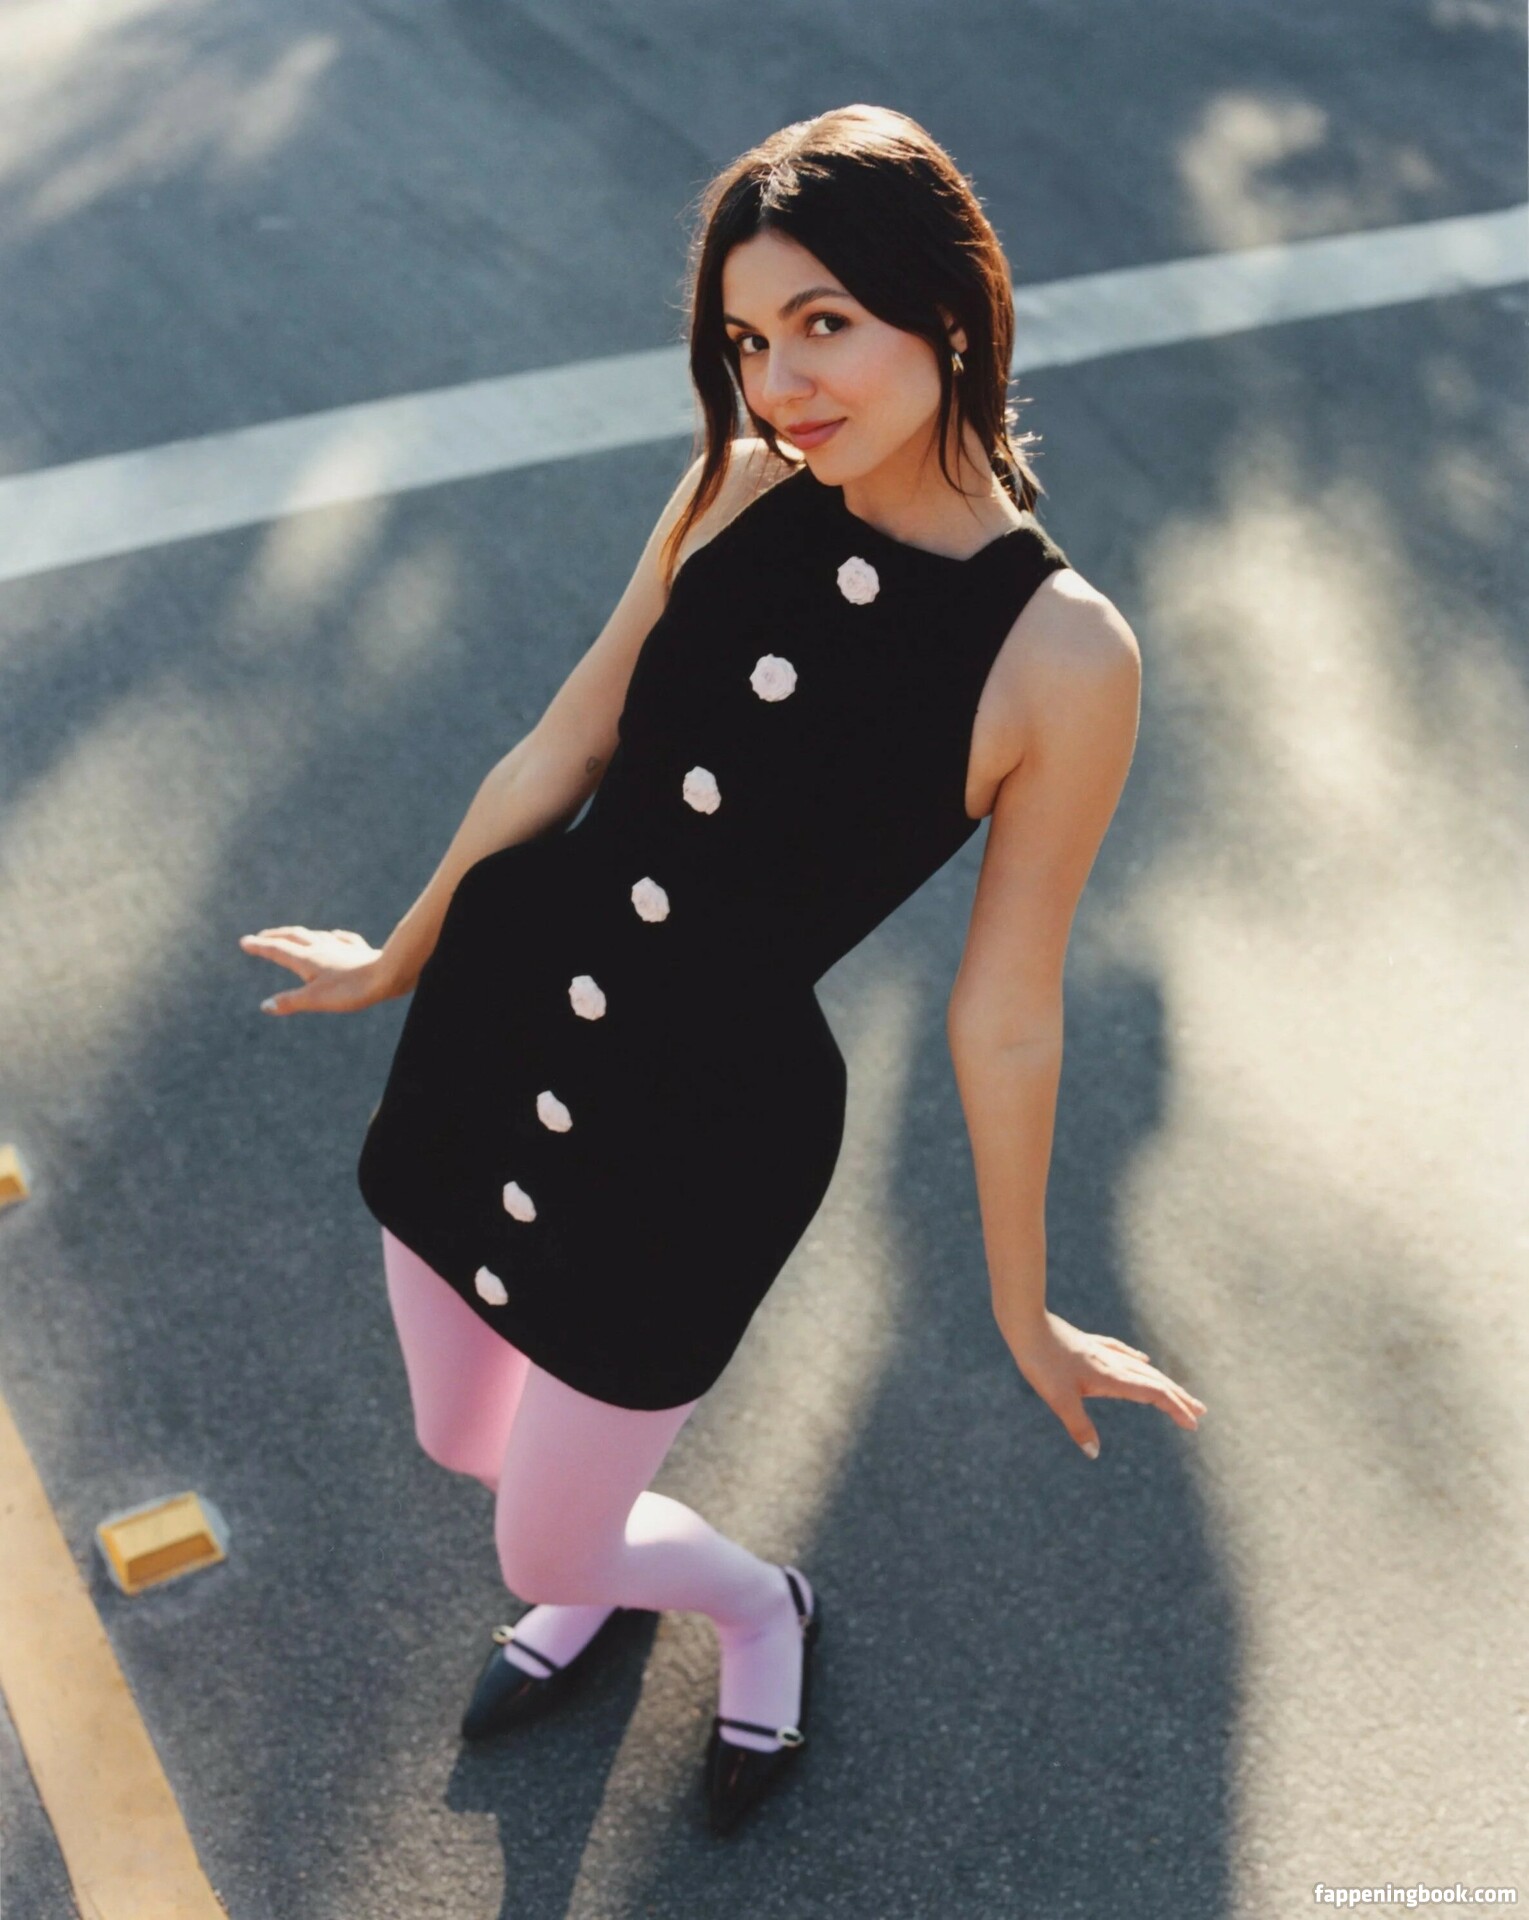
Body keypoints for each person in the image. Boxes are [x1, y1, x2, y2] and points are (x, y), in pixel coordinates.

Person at [239, 103, 1207, 1837]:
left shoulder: (1064, 656)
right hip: (499, 1020)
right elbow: (562, 746)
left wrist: (1024, 1306)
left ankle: (757, 1609)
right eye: (750, 341)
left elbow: (1004, 1014)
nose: (780, 383)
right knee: (461, 1438)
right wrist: (400, 953)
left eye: (823, 323)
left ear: (950, 311)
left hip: (702, 1130)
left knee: (538, 1541)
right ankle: (598, 1561)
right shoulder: (731, 487)